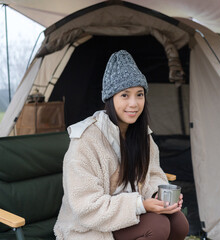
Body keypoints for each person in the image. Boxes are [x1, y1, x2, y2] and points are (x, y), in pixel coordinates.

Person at [54, 50, 189, 240]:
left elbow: (153, 174)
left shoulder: (142, 136)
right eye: (125, 95)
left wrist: (158, 196)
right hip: (91, 227)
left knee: (178, 223)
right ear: (110, 98)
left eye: (139, 94)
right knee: (157, 227)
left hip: (128, 215)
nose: (133, 104)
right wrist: (141, 205)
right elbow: (86, 207)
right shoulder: (85, 140)